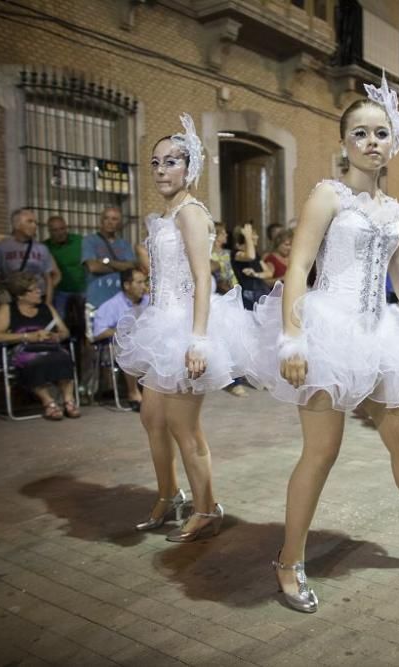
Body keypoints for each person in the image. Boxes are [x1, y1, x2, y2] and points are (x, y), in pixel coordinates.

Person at [249, 74, 399, 614]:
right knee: (323, 451)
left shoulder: (397, 212)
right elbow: (298, 265)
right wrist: (292, 338)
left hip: (379, 336)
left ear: (392, 143)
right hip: (327, 332)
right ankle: (287, 559)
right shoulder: (329, 194)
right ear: (344, 142)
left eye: (381, 133)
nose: (371, 142)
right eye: (361, 133)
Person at [115, 114, 255, 542]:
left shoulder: (192, 214)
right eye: (155, 163)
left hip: (186, 328)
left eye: (171, 162)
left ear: (190, 168)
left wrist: (197, 339)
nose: (160, 170)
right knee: (151, 417)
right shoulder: (164, 216)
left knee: (183, 427)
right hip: (162, 322)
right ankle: (168, 495)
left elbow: (202, 279)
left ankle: (207, 508)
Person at [0, 272, 79, 420]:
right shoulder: (7, 310)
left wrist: (57, 336)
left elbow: (65, 331)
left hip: (49, 347)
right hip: (24, 349)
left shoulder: (46, 308)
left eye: (39, 288)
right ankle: (48, 402)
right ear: (20, 295)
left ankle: (68, 400)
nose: (39, 292)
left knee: (63, 357)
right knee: (33, 361)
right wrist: (28, 336)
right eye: (34, 290)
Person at [91, 268, 149, 409]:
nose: (144, 286)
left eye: (144, 282)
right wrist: (125, 330)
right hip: (115, 347)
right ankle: (133, 393)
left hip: (148, 343)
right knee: (129, 345)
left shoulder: (149, 301)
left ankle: (162, 392)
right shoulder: (111, 306)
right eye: (139, 282)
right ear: (127, 285)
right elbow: (99, 333)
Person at [0, 208, 60, 305]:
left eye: (35, 223)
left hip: (37, 298)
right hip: (13, 298)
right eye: (29, 222)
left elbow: (48, 278)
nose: (34, 226)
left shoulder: (42, 249)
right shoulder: (2, 248)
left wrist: (47, 304)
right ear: (17, 225)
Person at [82, 206, 137, 310]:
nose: (109, 222)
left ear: (119, 223)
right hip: (97, 298)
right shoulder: (90, 241)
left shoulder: (124, 244)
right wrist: (121, 266)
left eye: (114, 219)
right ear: (101, 221)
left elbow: (131, 266)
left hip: (121, 299)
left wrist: (105, 261)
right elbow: (93, 267)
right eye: (106, 218)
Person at [43, 215, 86, 340]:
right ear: (49, 231)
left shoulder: (79, 241)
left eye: (62, 229)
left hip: (82, 288)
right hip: (60, 291)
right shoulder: (45, 247)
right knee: (59, 319)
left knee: (87, 321)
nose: (60, 233)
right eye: (55, 230)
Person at [231, 224, 273, 308]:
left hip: (261, 291)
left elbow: (269, 273)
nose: (257, 237)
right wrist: (248, 236)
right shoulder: (236, 253)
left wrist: (256, 274)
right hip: (248, 294)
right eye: (254, 234)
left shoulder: (256, 254)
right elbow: (250, 256)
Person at [210, 223, 238, 293]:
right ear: (215, 236)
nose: (226, 235)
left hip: (234, 289)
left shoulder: (229, 253)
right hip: (218, 292)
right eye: (223, 233)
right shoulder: (208, 255)